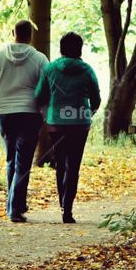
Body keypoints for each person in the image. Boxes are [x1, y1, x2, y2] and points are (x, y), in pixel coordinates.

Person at [0, 19, 48, 223]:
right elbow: (45, 90)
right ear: (31, 36)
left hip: (6, 115)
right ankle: (15, 208)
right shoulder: (39, 58)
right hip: (30, 114)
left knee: (12, 161)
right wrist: (45, 115)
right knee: (23, 163)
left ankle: (15, 204)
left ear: (12, 33)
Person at [34, 31, 101, 224]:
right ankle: (68, 210)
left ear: (61, 48)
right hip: (80, 123)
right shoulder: (87, 70)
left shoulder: (50, 68)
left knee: (60, 164)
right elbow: (96, 98)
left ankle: (62, 204)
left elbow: (39, 95)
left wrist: (49, 111)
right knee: (74, 165)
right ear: (80, 49)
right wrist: (90, 111)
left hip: (56, 124)